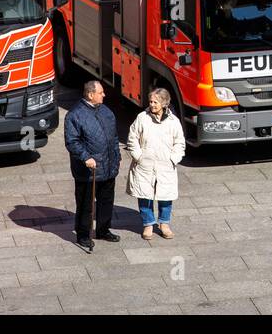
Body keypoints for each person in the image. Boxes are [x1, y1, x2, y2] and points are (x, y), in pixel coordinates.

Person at [65, 79, 121, 252]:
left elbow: (114, 136)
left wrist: (117, 156)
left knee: (106, 200)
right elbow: (72, 142)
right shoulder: (75, 115)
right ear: (91, 95)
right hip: (89, 170)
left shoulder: (106, 111)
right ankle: (83, 235)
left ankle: (103, 230)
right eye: (101, 92)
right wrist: (85, 157)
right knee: (85, 204)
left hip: (109, 165)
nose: (104, 95)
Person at [126, 87, 185, 240]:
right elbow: (132, 138)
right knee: (144, 196)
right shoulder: (142, 118)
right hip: (144, 165)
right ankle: (148, 224)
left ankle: (164, 224)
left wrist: (174, 158)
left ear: (164, 103)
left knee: (166, 196)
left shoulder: (174, 122)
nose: (152, 105)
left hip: (165, 165)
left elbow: (179, 142)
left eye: (156, 102)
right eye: (151, 101)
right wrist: (138, 156)